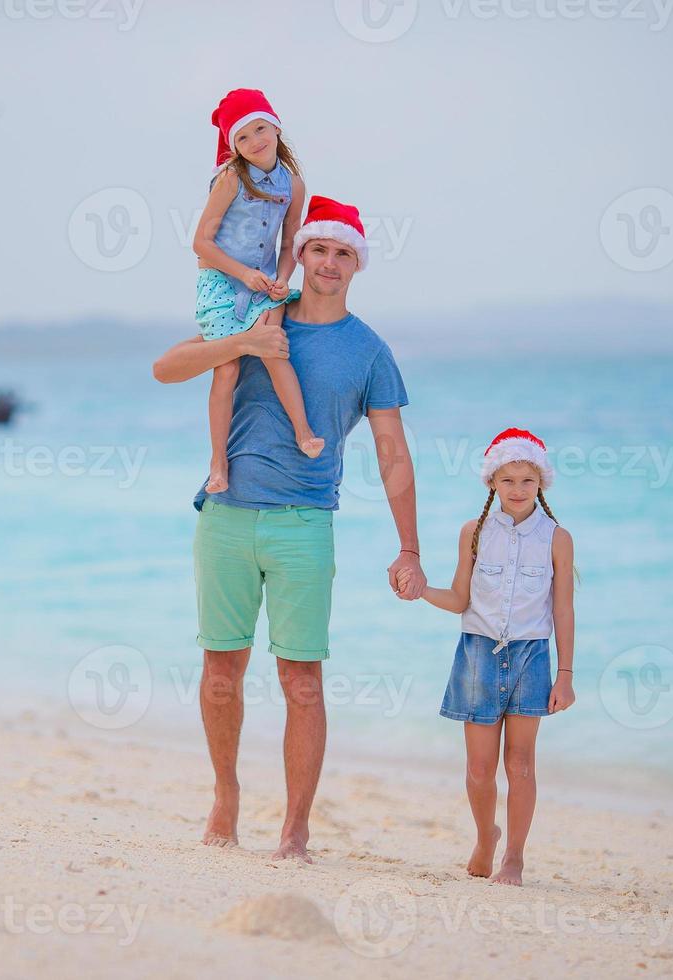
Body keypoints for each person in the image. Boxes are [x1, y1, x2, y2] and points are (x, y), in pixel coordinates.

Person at [152, 196, 426, 862]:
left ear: (357, 263)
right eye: (319, 249)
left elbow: (391, 451)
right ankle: (226, 795)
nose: (329, 263)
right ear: (299, 253)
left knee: (303, 680)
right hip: (226, 516)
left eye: (343, 253)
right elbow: (166, 368)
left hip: (305, 525)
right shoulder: (255, 313)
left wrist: (410, 547)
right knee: (221, 670)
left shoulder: (368, 351)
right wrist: (243, 341)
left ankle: (296, 828)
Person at [415, 428, 577, 885]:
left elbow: (562, 608)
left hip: (532, 658)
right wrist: (421, 590)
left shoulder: (557, 538)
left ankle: (514, 857)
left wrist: (564, 675)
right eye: (508, 481)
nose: (518, 490)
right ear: (492, 483)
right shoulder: (474, 532)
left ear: (541, 482)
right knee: (480, 769)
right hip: (477, 656)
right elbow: (459, 599)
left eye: (527, 480)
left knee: (521, 763)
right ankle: (486, 836)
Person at [193, 88, 320, 494]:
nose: (255, 142)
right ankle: (218, 462)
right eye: (242, 137)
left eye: (260, 129)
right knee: (227, 368)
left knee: (273, 347)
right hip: (221, 280)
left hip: (266, 284)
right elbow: (201, 243)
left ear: (277, 128)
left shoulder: (293, 184)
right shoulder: (231, 178)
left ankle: (303, 433)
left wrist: (283, 277)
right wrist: (243, 274)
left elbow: (289, 244)